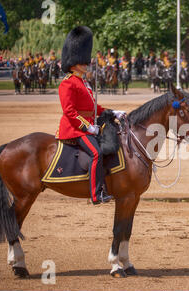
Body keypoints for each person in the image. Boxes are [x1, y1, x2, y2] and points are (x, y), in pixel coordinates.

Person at [56, 26, 125, 205]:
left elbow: (93, 108)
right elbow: (69, 112)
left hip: (86, 126)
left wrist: (111, 111)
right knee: (96, 153)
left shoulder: (83, 83)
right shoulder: (68, 84)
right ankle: (96, 194)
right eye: (83, 61)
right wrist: (87, 127)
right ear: (74, 61)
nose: (86, 63)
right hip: (74, 129)